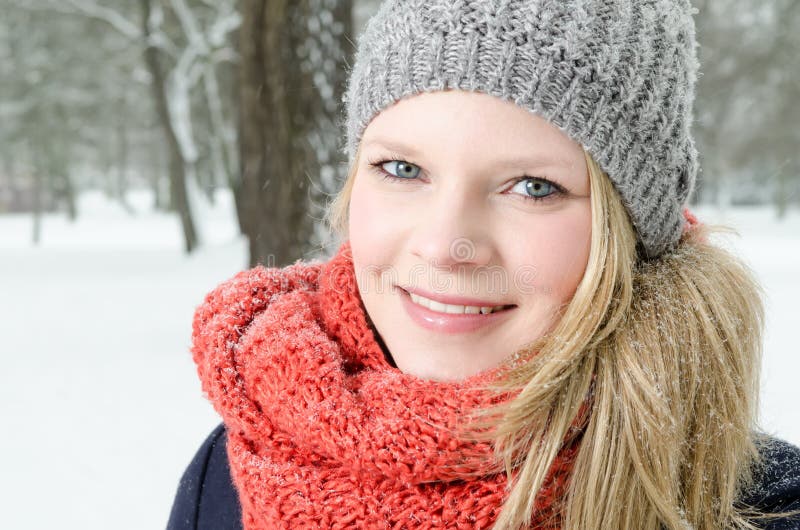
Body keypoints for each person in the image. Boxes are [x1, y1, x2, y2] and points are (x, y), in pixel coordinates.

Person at [167, 1, 800, 529]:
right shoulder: (234, 469)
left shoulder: (764, 510)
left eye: (531, 186)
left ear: (632, 231)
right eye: (403, 169)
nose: (444, 246)